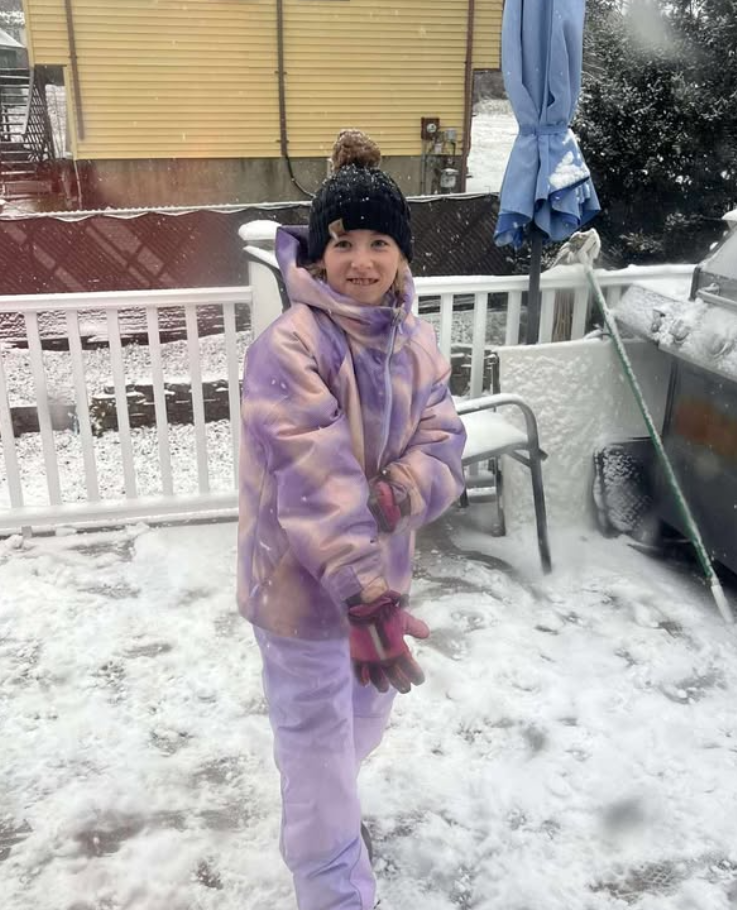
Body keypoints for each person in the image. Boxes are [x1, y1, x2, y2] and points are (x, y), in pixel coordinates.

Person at [237, 128, 466, 910]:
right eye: (344, 243)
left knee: (364, 723)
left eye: (380, 243)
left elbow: (445, 441)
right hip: (303, 593)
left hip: (380, 594)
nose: (362, 260)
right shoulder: (290, 347)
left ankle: (334, 820)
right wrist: (362, 591)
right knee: (317, 751)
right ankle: (334, 889)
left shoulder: (418, 344)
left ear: (403, 256)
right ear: (316, 253)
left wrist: (401, 490)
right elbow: (313, 476)